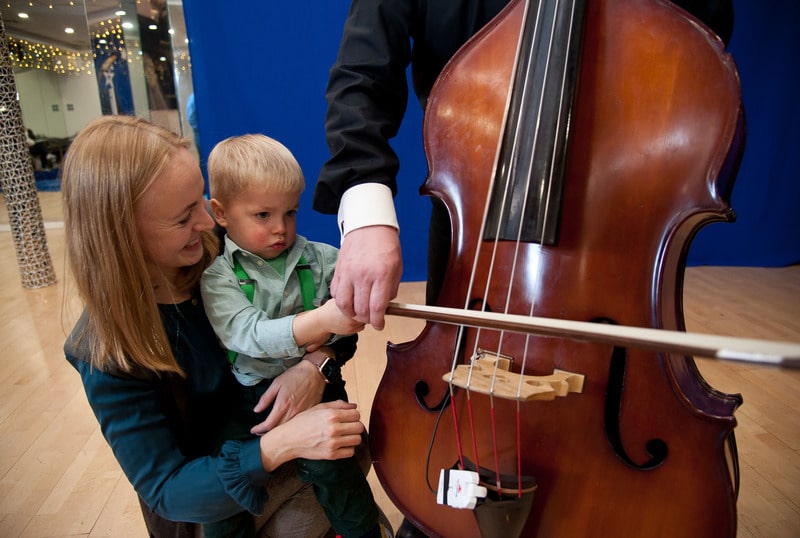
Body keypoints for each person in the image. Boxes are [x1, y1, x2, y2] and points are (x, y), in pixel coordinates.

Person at [312, 1, 735, 535]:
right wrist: (366, 214)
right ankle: (445, 506)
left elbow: (699, 34)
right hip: (478, 218)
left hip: (621, 218)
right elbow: (362, 71)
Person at [62, 115, 370, 538]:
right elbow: (168, 491)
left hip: (271, 435)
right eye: (183, 217)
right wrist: (284, 443)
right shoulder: (103, 352)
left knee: (351, 448)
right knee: (305, 510)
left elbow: (331, 328)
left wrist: (314, 367)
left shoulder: (226, 249)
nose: (208, 223)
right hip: (212, 499)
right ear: (123, 233)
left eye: (201, 201)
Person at [200, 133, 387, 538]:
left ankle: (363, 532)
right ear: (221, 213)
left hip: (319, 387)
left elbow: (350, 310)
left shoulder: (320, 258)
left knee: (338, 470)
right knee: (225, 481)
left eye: (290, 213)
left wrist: (366, 284)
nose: (281, 229)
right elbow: (248, 333)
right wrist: (321, 320)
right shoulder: (218, 276)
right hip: (248, 397)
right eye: (263, 215)